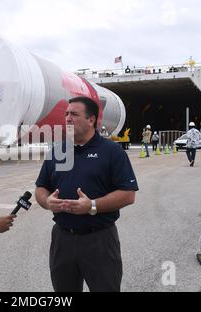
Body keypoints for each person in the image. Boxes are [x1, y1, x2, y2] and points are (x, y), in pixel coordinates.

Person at [35, 96, 138, 292]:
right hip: (62, 239)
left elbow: (128, 194)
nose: (67, 118)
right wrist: (47, 202)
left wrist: (92, 205)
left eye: (74, 114)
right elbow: (40, 188)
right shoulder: (57, 151)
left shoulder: (112, 151)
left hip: (99, 240)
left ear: (91, 120)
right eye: (66, 114)